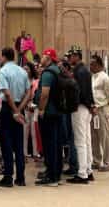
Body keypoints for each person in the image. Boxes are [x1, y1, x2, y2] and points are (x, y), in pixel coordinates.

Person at [0, 47, 29, 187]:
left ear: (4, 56)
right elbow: (29, 93)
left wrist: (15, 111)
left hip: (7, 108)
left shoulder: (3, 71)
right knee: (19, 143)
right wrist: (20, 109)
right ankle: (21, 177)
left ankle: (8, 176)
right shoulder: (22, 71)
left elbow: (7, 93)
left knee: (6, 143)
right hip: (19, 105)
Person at [35, 48, 63, 186]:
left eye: (43, 57)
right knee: (56, 144)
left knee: (49, 144)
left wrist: (41, 109)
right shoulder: (57, 70)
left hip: (49, 113)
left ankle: (52, 177)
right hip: (57, 111)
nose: (41, 59)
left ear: (49, 58)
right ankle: (55, 172)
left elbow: (45, 94)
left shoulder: (47, 73)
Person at [67, 47, 95, 183]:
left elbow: (82, 92)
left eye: (70, 56)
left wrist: (89, 105)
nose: (69, 59)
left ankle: (82, 173)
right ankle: (88, 170)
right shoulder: (83, 70)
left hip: (80, 107)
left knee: (80, 141)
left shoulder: (80, 71)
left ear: (76, 56)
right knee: (86, 140)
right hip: (86, 107)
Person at [90, 55, 109, 172]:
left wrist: (105, 106)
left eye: (93, 64)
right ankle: (96, 160)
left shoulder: (104, 78)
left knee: (104, 136)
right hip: (93, 109)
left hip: (101, 109)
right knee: (94, 136)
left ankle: (108, 162)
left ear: (99, 65)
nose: (91, 66)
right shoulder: (92, 77)